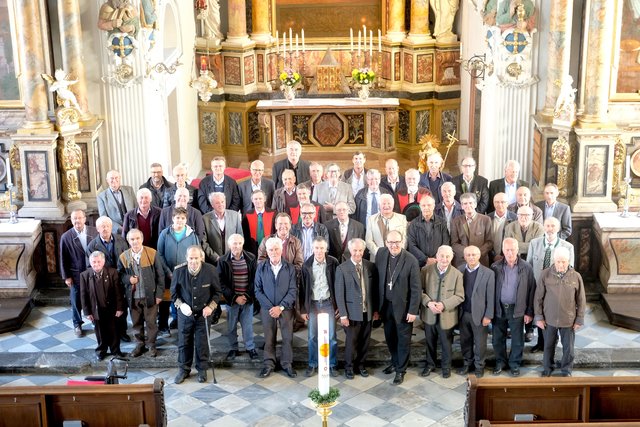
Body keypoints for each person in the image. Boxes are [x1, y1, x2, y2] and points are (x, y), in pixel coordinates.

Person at [376, 230, 421, 385]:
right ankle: (395, 363)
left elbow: (416, 288)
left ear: (402, 242)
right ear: (386, 243)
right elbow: (377, 281)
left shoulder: (411, 260)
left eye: (397, 242)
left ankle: (401, 370)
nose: (394, 245)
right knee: (390, 338)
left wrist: (413, 311)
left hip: (403, 308)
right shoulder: (381, 254)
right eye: (391, 242)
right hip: (385, 306)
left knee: (403, 340)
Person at [172, 246, 222, 384]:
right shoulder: (178, 272)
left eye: (196, 258)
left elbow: (217, 293)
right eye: (191, 258)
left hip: (204, 314)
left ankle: (202, 370)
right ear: (187, 258)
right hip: (185, 314)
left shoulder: (211, 270)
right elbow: (174, 294)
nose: (193, 261)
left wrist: (211, 307)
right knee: (184, 342)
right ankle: (184, 369)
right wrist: (181, 305)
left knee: (202, 343)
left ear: (201, 258)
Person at [535, 247, 585, 377]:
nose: (561, 264)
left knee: (568, 348)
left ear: (568, 261)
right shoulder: (545, 274)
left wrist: (579, 319)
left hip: (568, 320)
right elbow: (538, 297)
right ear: (554, 261)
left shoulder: (576, 276)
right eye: (558, 261)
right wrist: (539, 317)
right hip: (549, 319)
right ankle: (547, 368)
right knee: (548, 346)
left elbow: (581, 300)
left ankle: (566, 369)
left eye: (563, 261)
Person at [527, 216, 575, 353]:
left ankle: (551, 345)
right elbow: (529, 266)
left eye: (553, 226)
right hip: (538, 287)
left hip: (556, 289)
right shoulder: (534, 243)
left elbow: (570, 269)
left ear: (558, 228)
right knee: (540, 315)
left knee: (552, 317)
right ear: (543, 227)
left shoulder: (567, 247)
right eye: (547, 225)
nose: (550, 229)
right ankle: (540, 343)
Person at [491, 237, 536, 377]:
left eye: (512, 250)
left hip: (517, 308)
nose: (510, 253)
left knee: (517, 339)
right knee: (498, 338)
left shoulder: (526, 267)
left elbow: (531, 290)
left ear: (518, 250)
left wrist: (529, 312)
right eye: (507, 250)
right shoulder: (495, 267)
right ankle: (500, 362)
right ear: (503, 250)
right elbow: (490, 291)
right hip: (499, 308)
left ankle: (514, 364)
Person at [334, 238, 378, 380]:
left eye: (360, 250)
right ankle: (349, 367)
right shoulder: (342, 268)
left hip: (368, 311)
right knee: (351, 342)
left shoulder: (370, 266)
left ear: (364, 251)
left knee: (365, 341)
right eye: (355, 250)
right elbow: (339, 293)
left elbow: (374, 291)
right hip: (351, 313)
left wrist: (375, 310)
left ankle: (361, 365)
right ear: (350, 250)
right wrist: (343, 315)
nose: (357, 253)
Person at [254, 237, 298, 378]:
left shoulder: (290, 268)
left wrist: (281, 307)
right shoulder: (261, 267)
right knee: (269, 338)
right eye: (271, 249)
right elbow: (257, 290)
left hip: (285, 309)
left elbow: (293, 291)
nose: (274, 252)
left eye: (276, 249)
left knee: (287, 338)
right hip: (267, 309)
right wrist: (270, 307)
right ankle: (268, 364)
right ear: (266, 251)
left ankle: (287, 364)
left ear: (282, 250)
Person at [117, 228, 164, 358]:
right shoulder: (123, 257)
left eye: (137, 238)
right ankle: (139, 344)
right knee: (136, 322)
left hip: (150, 296)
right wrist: (128, 279)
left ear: (142, 239)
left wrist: (159, 294)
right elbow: (120, 275)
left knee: (151, 322)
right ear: (128, 241)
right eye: (132, 239)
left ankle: (151, 344)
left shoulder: (152, 253)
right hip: (133, 297)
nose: (135, 241)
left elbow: (160, 275)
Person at [420, 245, 464, 378]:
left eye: (447, 256)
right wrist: (428, 303)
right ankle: (430, 365)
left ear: (452, 258)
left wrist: (444, 305)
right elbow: (419, 291)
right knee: (430, 342)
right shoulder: (425, 271)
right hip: (429, 314)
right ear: (437, 256)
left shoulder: (457, 274)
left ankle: (446, 367)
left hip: (447, 316)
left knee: (446, 343)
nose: (444, 259)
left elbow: (460, 296)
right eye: (442, 256)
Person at [157, 207, 201, 336]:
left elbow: (197, 253)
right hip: (167, 274)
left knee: (184, 298)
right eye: (177, 218)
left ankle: (181, 322)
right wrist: (168, 272)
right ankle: (163, 325)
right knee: (167, 299)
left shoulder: (191, 235)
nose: (180, 221)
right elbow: (159, 254)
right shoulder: (165, 234)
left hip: (185, 275)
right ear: (172, 218)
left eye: (182, 218)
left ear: (186, 220)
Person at [87, 216, 131, 343]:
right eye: (102, 226)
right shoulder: (92, 245)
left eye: (107, 225)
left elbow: (127, 258)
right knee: (108, 309)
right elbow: (90, 267)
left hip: (121, 279)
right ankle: (111, 334)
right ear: (97, 229)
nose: (105, 228)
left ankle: (122, 331)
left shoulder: (121, 240)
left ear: (111, 227)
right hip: (103, 283)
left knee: (121, 306)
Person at [301, 237, 339, 377]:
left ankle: (332, 364)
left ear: (326, 248)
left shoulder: (333, 263)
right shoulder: (307, 265)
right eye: (316, 248)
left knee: (332, 336)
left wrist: (338, 305)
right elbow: (303, 289)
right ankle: (312, 363)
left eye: (321, 248)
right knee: (312, 336)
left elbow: (338, 285)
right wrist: (303, 309)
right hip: (313, 304)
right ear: (312, 248)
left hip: (328, 303)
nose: (319, 251)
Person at [218, 234, 259, 361]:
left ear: (243, 244)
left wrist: (246, 296)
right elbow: (221, 282)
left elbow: (255, 279)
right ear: (229, 245)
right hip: (232, 300)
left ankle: (250, 347)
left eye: (239, 243)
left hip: (247, 299)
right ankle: (233, 348)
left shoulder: (251, 258)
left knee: (248, 326)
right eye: (234, 243)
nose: (237, 246)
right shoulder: (222, 260)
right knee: (231, 326)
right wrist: (235, 297)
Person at [80, 251, 126, 361]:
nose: (96, 264)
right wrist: (87, 312)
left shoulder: (112, 272)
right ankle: (101, 351)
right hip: (95, 310)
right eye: (93, 262)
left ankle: (116, 351)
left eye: (98, 262)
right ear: (90, 262)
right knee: (100, 331)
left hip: (111, 309)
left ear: (103, 262)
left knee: (114, 330)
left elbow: (118, 292)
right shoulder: (85, 275)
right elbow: (83, 295)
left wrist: (120, 308)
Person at [457, 246, 495, 377]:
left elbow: (491, 296)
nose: (471, 257)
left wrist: (488, 315)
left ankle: (479, 366)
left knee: (480, 343)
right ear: (464, 256)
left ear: (479, 256)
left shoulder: (488, 273)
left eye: (474, 254)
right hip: (463, 313)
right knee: (465, 341)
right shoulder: (460, 270)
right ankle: (467, 363)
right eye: (468, 255)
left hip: (480, 315)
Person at [60, 209, 98, 337]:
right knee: (76, 300)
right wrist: (67, 277)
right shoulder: (66, 237)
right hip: (76, 274)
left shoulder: (94, 232)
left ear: (84, 218)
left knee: (93, 297)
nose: (77, 221)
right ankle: (77, 324)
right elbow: (63, 258)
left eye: (79, 218)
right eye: (74, 218)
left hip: (93, 273)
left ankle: (95, 320)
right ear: (71, 220)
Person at [450, 192, 493, 267]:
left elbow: (489, 242)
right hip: (462, 261)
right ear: (462, 206)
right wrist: (467, 253)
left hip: (481, 260)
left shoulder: (486, 219)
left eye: (470, 203)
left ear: (475, 204)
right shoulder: (455, 221)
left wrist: (476, 254)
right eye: (465, 203)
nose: (468, 205)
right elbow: (454, 244)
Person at [407, 195, 450, 268]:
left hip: (438, 263)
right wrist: (426, 259)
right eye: (423, 205)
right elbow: (411, 245)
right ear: (420, 206)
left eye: (429, 205)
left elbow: (445, 243)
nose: (426, 207)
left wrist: (436, 259)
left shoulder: (442, 222)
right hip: (419, 264)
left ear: (433, 206)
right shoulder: (413, 224)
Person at [202, 192, 243, 266]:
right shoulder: (205, 218)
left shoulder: (235, 215)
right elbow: (204, 242)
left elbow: (240, 237)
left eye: (222, 201)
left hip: (233, 260)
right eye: (217, 203)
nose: (221, 204)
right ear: (212, 205)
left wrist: (234, 254)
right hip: (213, 262)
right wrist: (215, 257)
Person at [365, 194, 407, 261]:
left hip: (398, 257)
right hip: (378, 257)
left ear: (393, 205)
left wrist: (398, 253)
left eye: (389, 203)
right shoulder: (371, 219)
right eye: (383, 203)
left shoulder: (402, 218)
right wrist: (379, 253)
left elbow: (405, 239)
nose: (386, 206)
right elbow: (368, 241)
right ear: (379, 205)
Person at [97, 170, 137, 235]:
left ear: (120, 178)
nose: (114, 180)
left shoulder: (129, 190)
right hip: (116, 232)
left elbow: (136, 208)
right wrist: (119, 228)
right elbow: (104, 217)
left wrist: (133, 225)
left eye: (116, 177)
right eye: (112, 178)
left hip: (133, 228)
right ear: (107, 180)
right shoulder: (101, 196)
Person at [242, 189, 276, 255]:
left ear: (264, 199)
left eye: (260, 198)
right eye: (256, 199)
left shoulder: (273, 213)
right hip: (252, 249)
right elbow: (244, 234)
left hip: (270, 248)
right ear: (252, 200)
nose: (258, 201)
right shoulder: (247, 215)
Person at [487, 192, 517, 263]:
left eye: (503, 202)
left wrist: (505, 254)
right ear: (493, 203)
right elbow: (485, 239)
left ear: (507, 203)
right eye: (497, 202)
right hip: (490, 257)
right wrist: (494, 256)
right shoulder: (487, 218)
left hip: (508, 258)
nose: (499, 204)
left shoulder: (515, 218)